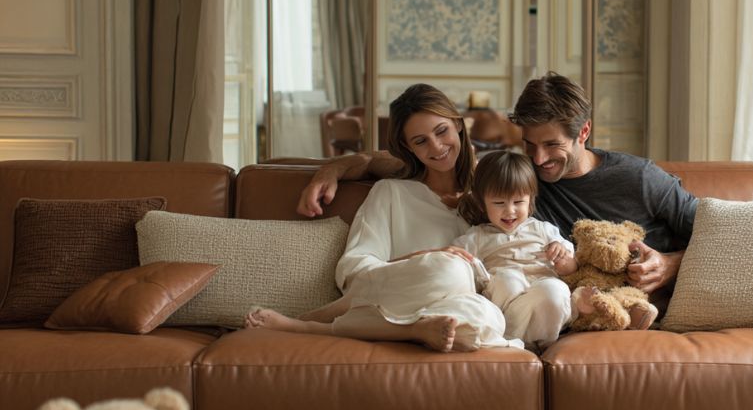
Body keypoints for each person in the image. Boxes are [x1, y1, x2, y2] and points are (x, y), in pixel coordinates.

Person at [297, 72, 698, 325]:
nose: (539, 160)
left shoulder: (639, 178)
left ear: (584, 131)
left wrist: (670, 263)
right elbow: (398, 165)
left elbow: (719, 232)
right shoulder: (509, 181)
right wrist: (337, 167)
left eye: (551, 145)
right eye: (530, 145)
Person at [246, 84, 522, 352]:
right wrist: (429, 256)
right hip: (404, 289)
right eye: (420, 141)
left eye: (442, 131)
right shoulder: (391, 192)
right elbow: (354, 270)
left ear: (458, 124)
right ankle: (318, 324)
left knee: (488, 317)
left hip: (455, 307)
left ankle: (412, 330)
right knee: (451, 269)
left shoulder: (493, 196)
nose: (437, 147)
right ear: (407, 146)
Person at [453, 150, 578, 350]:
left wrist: (562, 255)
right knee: (507, 280)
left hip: (543, 298)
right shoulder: (477, 236)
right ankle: (521, 341)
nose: (510, 211)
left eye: (518, 202)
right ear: (482, 203)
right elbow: (453, 257)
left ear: (531, 200)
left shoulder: (544, 229)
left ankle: (521, 341)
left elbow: (571, 267)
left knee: (555, 290)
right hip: (504, 294)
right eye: (499, 203)